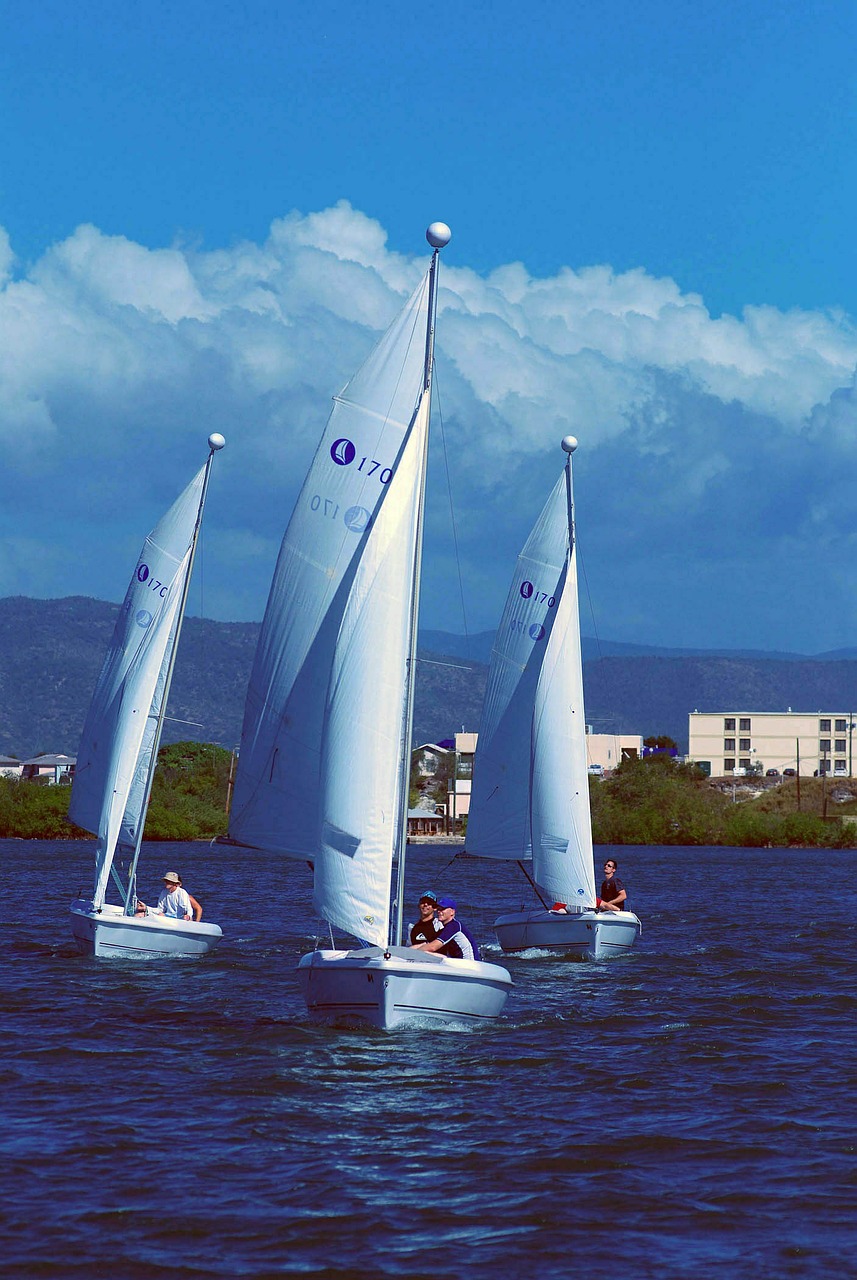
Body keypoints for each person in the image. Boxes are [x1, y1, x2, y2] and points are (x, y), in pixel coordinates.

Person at [410, 896, 480, 960]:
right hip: (458, 963)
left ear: (452, 912)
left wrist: (414, 954)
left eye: (443, 909)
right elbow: (426, 944)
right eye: (438, 909)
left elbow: (432, 947)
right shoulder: (445, 929)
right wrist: (407, 951)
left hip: (470, 965)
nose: (439, 912)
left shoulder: (454, 926)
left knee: (427, 953)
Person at [137, 871, 203, 922]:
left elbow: (189, 909)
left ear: (175, 883)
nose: (166, 882)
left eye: (169, 881)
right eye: (166, 881)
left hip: (180, 918)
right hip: (168, 917)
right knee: (139, 915)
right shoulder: (164, 892)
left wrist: (188, 916)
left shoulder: (182, 892)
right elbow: (160, 910)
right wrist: (146, 908)